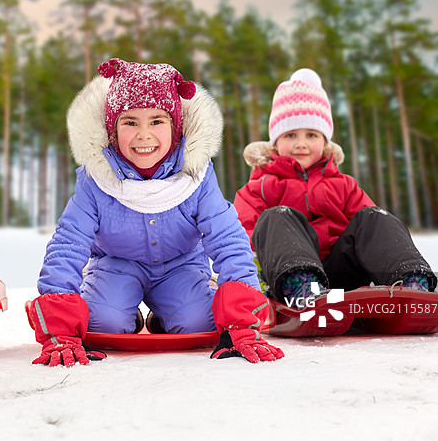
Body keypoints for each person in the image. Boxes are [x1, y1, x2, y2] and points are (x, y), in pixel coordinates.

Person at [25, 58, 284, 366]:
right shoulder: (96, 179)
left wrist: (243, 321)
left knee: (201, 324)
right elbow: (68, 242)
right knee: (101, 325)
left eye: (157, 121)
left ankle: (167, 314)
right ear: (112, 130)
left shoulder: (196, 175)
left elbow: (227, 237)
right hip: (117, 265)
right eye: (130, 122)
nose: (143, 135)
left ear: (175, 128)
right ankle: (125, 312)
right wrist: (61, 329)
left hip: (181, 265)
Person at [234, 68, 437, 309]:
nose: (301, 144)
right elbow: (239, 238)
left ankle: (411, 283)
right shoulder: (259, 188)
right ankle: (303, 286)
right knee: (276, 216)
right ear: (275, 144)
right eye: (290, 135)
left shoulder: (344, 185)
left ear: (325, 142)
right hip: (287, 276)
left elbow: (373, 235)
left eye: (311, 135)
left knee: (374, 217)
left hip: (343, 275)